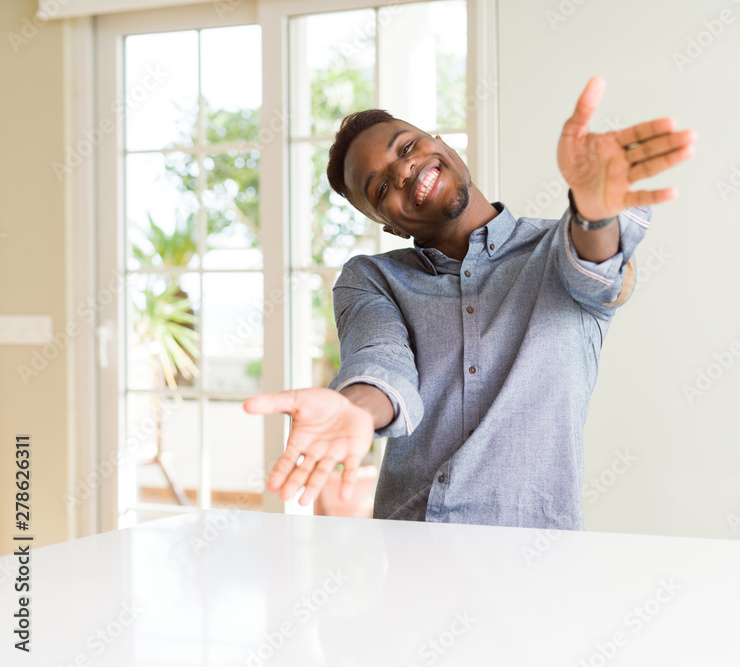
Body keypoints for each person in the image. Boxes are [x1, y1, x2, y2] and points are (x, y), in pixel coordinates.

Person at [244, 75, 696, 529]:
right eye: (381, 188)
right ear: (391, 226)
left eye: (406, 148)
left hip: (536, 558)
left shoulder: (559, 246)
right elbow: (381, 360)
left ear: (446, 147)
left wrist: (593, 213)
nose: (402, 171)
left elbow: (600, 275)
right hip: (413, 555)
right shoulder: (373, 278)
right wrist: (355, 409)